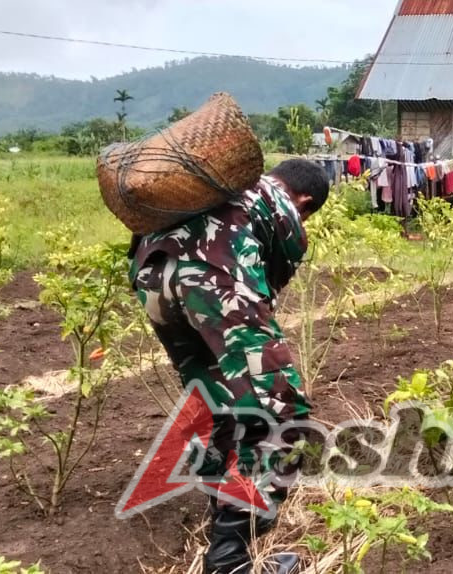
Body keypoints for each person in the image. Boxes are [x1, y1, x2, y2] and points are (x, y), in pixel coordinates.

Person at [129, 159, 330, 574]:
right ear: (304, 199)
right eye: (308, 212)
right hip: (212, 276)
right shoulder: (282, 208)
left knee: (215, 397)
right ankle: (230, 561)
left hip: (150, 273)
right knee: (280, 416)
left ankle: (223, 521)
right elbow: (268, 283)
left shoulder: (220, 187)